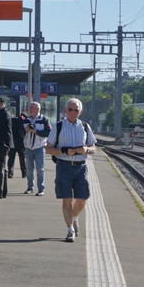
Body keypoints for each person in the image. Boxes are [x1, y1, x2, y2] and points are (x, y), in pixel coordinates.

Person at [45, 97, 96, 242]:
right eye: (70, 109)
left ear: (80, 112)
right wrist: (64, 150)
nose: (73, 112)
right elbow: (48, 149)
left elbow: (94, 148)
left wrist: (86, 149)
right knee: (66, 199)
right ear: (65, 110)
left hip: (81, 166)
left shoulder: (85, 127)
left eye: (76, 110)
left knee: (82, 199)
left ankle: (74, 218)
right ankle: (70, 230)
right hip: (64, 166)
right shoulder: (58, 126)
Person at [22, 101, 53, 195]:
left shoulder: (44, 119)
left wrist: (37, 132)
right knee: (29, 169)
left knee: (40, 169)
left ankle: (41, 189)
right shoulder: (26, 119)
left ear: (38, 109)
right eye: (29, 107)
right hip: (28, 147)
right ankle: (30, 187)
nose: (30, 109)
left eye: (32, 107)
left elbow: (49, 133)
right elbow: (20, 133)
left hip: (39, 147)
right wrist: (25, 129)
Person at [8, 107, 27, 179]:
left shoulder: (12, 120)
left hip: (12, 141)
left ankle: (10, 172)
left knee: (11, 158)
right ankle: (24, 173)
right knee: (22, 158)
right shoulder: (24, 121)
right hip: (21, 142)